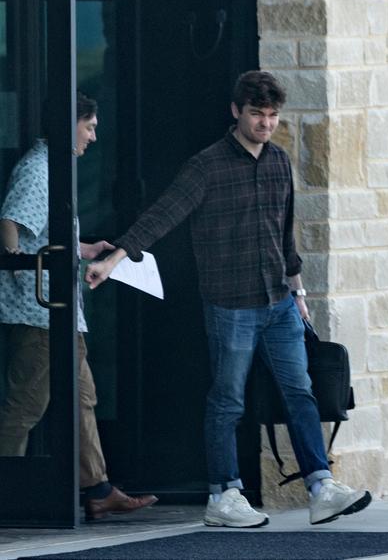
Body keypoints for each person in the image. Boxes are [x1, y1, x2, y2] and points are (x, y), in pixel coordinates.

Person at [85, 71, 372, 528]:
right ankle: (224, 494)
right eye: (257, 114)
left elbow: (285, 235)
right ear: (236, 112)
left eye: (273, 115)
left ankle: (321, 487)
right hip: (230, 304)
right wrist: (115, 257)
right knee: (228, 400)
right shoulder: (207, 167)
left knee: (301, 393)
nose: (265, 123)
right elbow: (163, 215)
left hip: (279, 301)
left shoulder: (279, 162)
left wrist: (299, 295)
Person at [0, 92, 158, 520]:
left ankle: (99, 488)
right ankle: (7, 487)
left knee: (81, 399)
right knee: (26, 406)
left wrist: (84, 249)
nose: (92, 135)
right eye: (88, 126)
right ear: (69, 125)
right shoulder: (39, 169)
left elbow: (44, 236)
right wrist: (18, 269)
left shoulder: (54, 169)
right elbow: (11, 223)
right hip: (41, 314)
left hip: (60, 311)